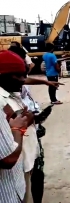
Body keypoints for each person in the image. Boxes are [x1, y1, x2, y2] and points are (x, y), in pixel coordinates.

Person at [0, 50, 32, 203]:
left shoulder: (9, 93)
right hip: (7, 191)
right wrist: (18, 128)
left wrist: (26, 120)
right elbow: (8, 160)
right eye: (18, 75)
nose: (23, 80)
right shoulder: (1, 100)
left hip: (16, 183)